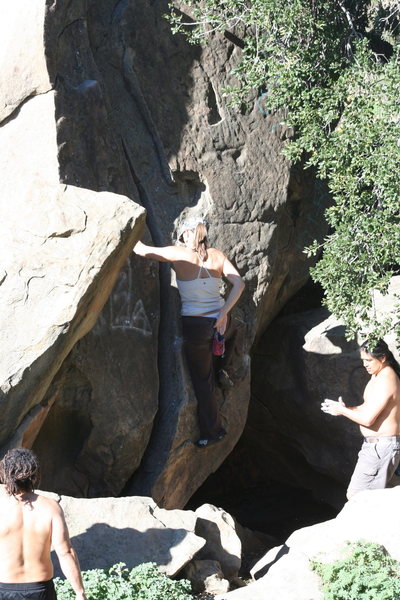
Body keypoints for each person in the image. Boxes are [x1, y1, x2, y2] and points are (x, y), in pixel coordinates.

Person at [134, 217, 245, 448]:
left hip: (196, 326)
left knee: (203, 383)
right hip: (220, 322)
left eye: (184, 233)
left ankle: (213, 432)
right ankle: (226, 368)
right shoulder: (217, 255)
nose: (182, 237)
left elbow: (142, 250)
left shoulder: (179, 254)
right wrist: (224, 312)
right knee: (235, 327)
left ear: (189, 234)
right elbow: (239, 284)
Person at [0, 448, 87, 600]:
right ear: (33, 475)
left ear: (5, 473)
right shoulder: (51, 507)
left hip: (5, 589)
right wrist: (80, 593)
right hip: (41, 591)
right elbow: (65, 552)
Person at [321, 340, 400, 499]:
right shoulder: (377, 375)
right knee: (359, 497)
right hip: (375, 447)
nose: (365, 364)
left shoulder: (387, 379)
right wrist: (347, 409)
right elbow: (369, 408)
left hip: (381, 447)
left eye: (369, 360)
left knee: (359, 498)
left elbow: (368, 420)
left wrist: (342, 411)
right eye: (363, 360)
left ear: (383, 358)